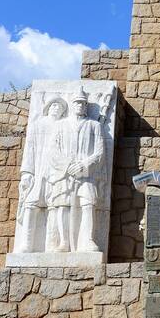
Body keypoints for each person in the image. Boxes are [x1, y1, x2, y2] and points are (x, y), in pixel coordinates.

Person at [48, 89, 106, 253]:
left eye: (83, 102)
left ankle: (87, 239)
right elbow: (53, 150)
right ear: (72, 105)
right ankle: (64, 242)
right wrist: (68, 166)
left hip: (86, 173)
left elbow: (100, 152)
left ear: (86, 105)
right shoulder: (60, 125)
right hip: (64, 173)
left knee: (88, 203)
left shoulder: (94, 125)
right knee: (63, 205)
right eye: (77, 102)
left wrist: (84, 165)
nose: (80, 105)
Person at [14, 97, 68, 253]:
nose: (57, 108)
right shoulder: (38, 125)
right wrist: (26, 173)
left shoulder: (63, 127)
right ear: (49, 107)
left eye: (60, 107)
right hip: (38, 170)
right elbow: (29, 151)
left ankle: (51, 244)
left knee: (54, 205)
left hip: (56, 172)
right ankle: (27, 244)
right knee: (31, 204)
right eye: (54, 105)